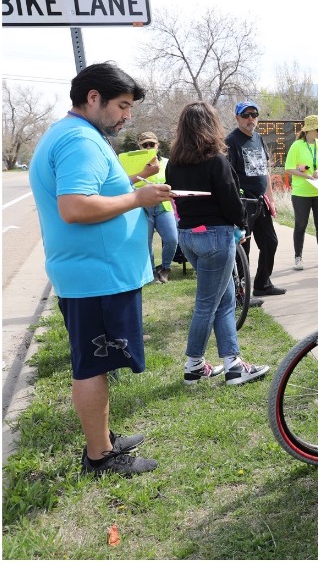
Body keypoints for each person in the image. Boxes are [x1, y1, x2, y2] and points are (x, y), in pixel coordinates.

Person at [29, 61, 168, 477]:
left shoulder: (72, 134)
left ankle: (103, 439)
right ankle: (99, 457)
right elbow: (75, 207)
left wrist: (128, 187)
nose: (128, 116)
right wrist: (138, 199)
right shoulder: (80, 141)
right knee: (91, 364)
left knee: (98, 362)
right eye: (122, 106)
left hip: (92, 274)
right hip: (95, 277)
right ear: (94, 99)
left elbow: (93, 190)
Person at [166, 102, 270, 386]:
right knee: (206, 305)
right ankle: (194, 364)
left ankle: (233, 364)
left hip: (188, 237)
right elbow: (231, 201)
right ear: (211, 126)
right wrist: (242, 225)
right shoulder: (216, 160)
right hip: (215, 237)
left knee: (224, 301)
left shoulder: (174, 162)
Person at [225, 101, 285, 298]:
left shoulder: (258, 138)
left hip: (261, 202)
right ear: (237, 118)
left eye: (254, 114)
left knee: (270, 242)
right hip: (244, 202)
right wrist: (234, 203)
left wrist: (271, 198)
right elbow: (228, 176)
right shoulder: (231, 141)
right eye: (245, 115)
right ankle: (242, 292)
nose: (250, 118)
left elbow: (264, 171)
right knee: (244, 246)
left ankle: (262, 284)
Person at [125, 131, 178, 284]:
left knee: (172, 239)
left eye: (151, 144)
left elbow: (173, 182)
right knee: (146, 242)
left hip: (163, 206)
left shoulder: (167, 163)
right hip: (143, 207)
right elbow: (127, 183)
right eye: (145, 145)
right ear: (139, 146)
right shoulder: (132, 165)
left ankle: (165, 268)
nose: (148, 147)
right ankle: (152, 272)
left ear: (157, 145)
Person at [284, 114, 318, 270]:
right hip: (301, 193)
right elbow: (289, 168)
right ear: (309, 130)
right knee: (301, 225)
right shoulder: (297, 146)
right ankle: (298, 258)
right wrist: (305, 175)